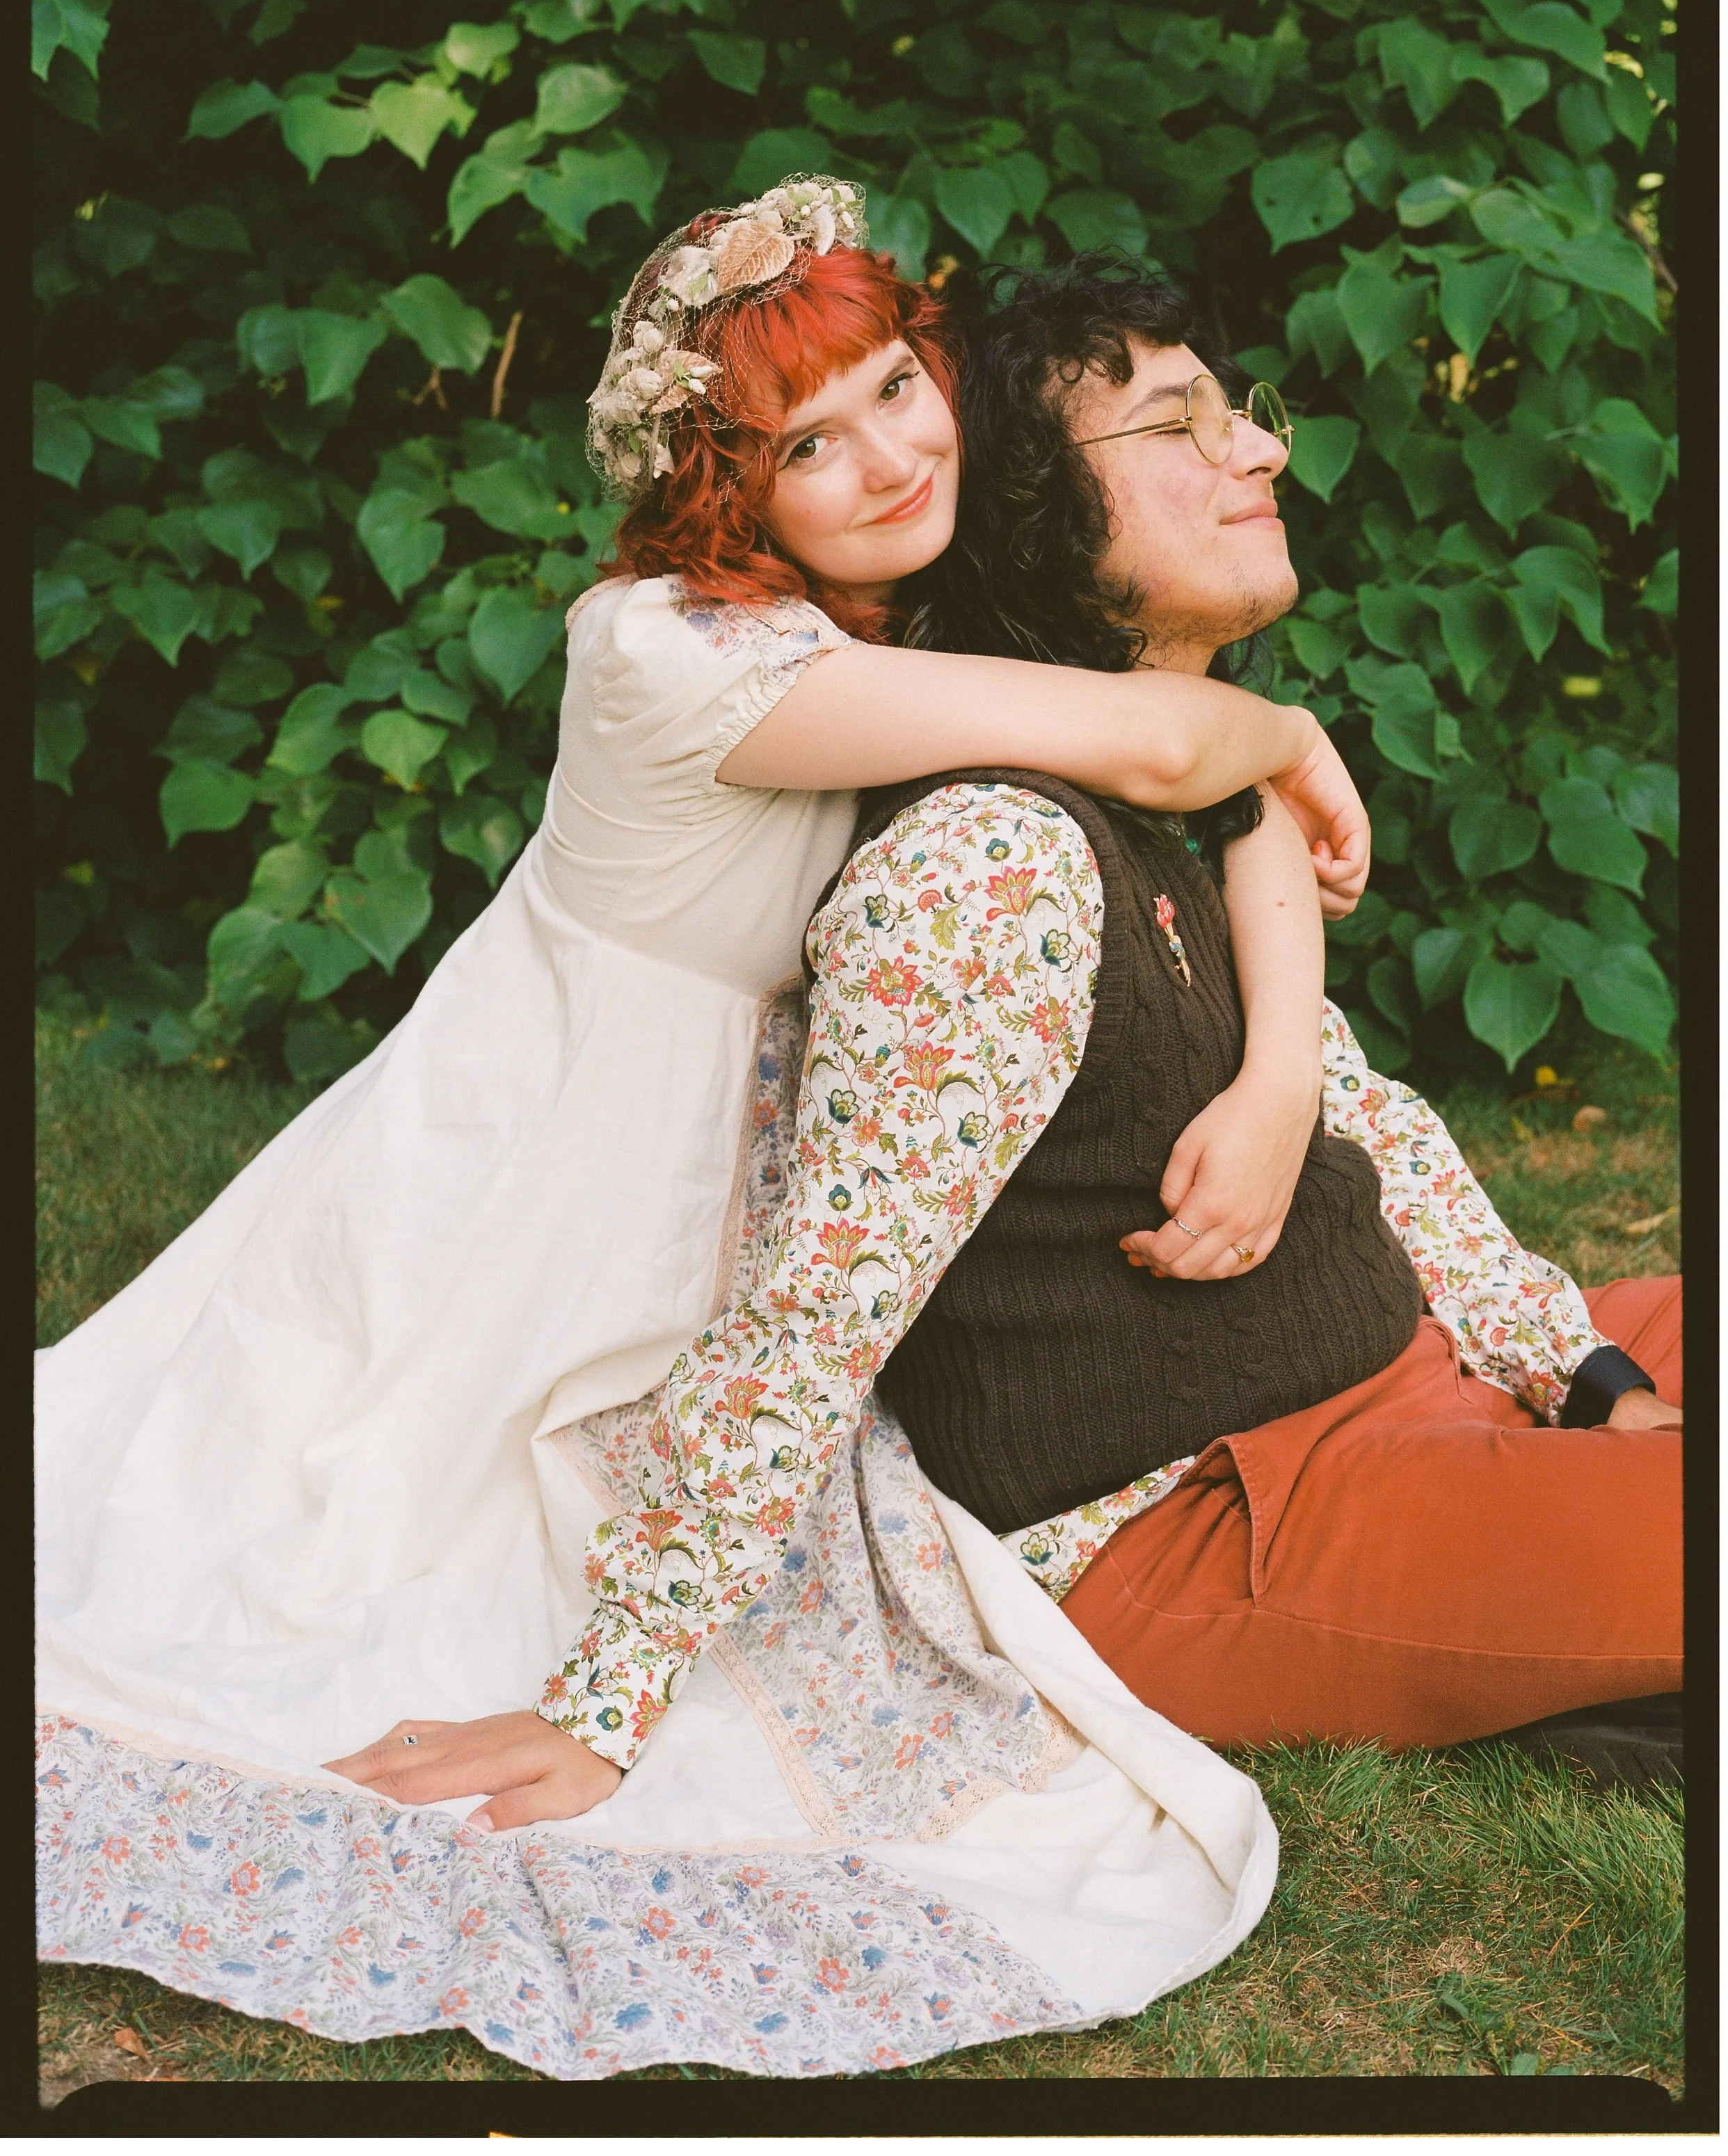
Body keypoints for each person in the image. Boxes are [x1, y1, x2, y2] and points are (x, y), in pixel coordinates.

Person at [36, 182, 1370, 2069]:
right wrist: (1293, 737)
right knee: (332, 1556)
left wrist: (1279, 1055)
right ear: (724, 491)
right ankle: (577, 1664)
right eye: (802, 444)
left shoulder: (908, 604)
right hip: (537, 1169)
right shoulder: (669, 648)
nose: (888, 456)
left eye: (895, 387)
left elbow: (1201, 784)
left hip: (729, 1179)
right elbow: (1183, 747)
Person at [323, 247, 1676, 1840]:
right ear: (1040, 510)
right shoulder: (982, 866)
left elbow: (1358, 1113)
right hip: (1207, 1511)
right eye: (1177, 424)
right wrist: (606, 1696)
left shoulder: (1173, 788)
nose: (1256, 446)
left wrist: (1577, 1368)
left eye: (1234, 409)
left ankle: (1594, 1613)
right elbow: (817, 1306)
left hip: (1404, 1368)